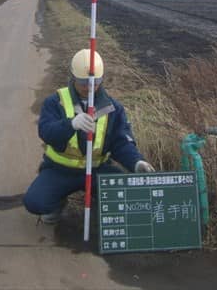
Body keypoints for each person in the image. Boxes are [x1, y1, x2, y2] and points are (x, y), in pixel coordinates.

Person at [23, 49, 155, 224]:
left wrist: (136, 162)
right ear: (73, 77)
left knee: (126, 196)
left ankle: (100, 203)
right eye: (84, 82)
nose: (90, 87)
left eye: (96, 81)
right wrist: (70, 125)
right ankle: (57, 203)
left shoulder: (113, 108)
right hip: (60, 170)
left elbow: (121, 143)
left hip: (97, 170)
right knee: (35, 202)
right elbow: (47, 133)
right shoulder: (55, 102)